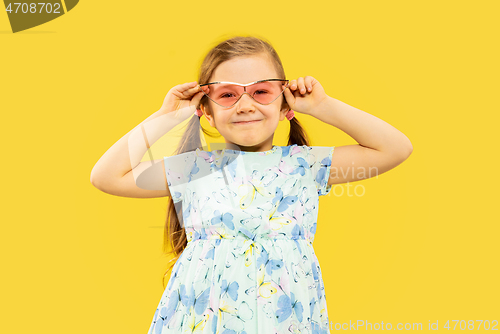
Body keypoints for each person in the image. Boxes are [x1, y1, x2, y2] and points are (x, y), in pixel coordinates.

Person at [90, 35, 412, 333]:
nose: (245, 105)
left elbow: (395, 148)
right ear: (206, 111)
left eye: (261, 92)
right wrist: (166, 117)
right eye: (227, 95)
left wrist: (322, 107)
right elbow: (106, 176)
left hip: (284, 321)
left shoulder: (304, 165)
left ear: (285, 104)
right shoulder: (194, 169)